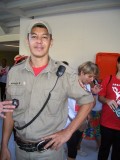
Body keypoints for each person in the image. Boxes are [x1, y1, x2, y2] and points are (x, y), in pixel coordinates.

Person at [0, 19, 95, 160]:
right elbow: (9, 110)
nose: (39, 41)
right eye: (34, 36)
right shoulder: (14, 72)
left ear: (51, 42)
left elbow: (88, 101)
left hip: (49, 152)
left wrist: (68, 132)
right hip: (19, 150)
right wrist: (4, 145)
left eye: (44, 37)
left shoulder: (65, 74)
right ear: (27, 40)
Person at [64, 61, 100, 160]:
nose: (92, 79)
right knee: (71, 149)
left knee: (74, 146)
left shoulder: (87, 85)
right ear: (82, 73)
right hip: (68, 120)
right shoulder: (70, 83)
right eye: (90, 76)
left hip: (80, 120)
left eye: (94, 77)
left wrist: (94, 95)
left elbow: (91, 105)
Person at [98, 56, 120, 160]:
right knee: (104, 149)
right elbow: (100, 97)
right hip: (107, 123)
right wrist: (107, 100)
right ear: (118, 64)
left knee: (117, 152)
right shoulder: (109, 78)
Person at [83, 79, 102, 150]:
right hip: (91, 110)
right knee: (83, 129)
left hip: (96, 110)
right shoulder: (88, 82)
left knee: (96, 130)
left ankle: (100, 146)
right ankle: (77, 147)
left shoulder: (96, 82)